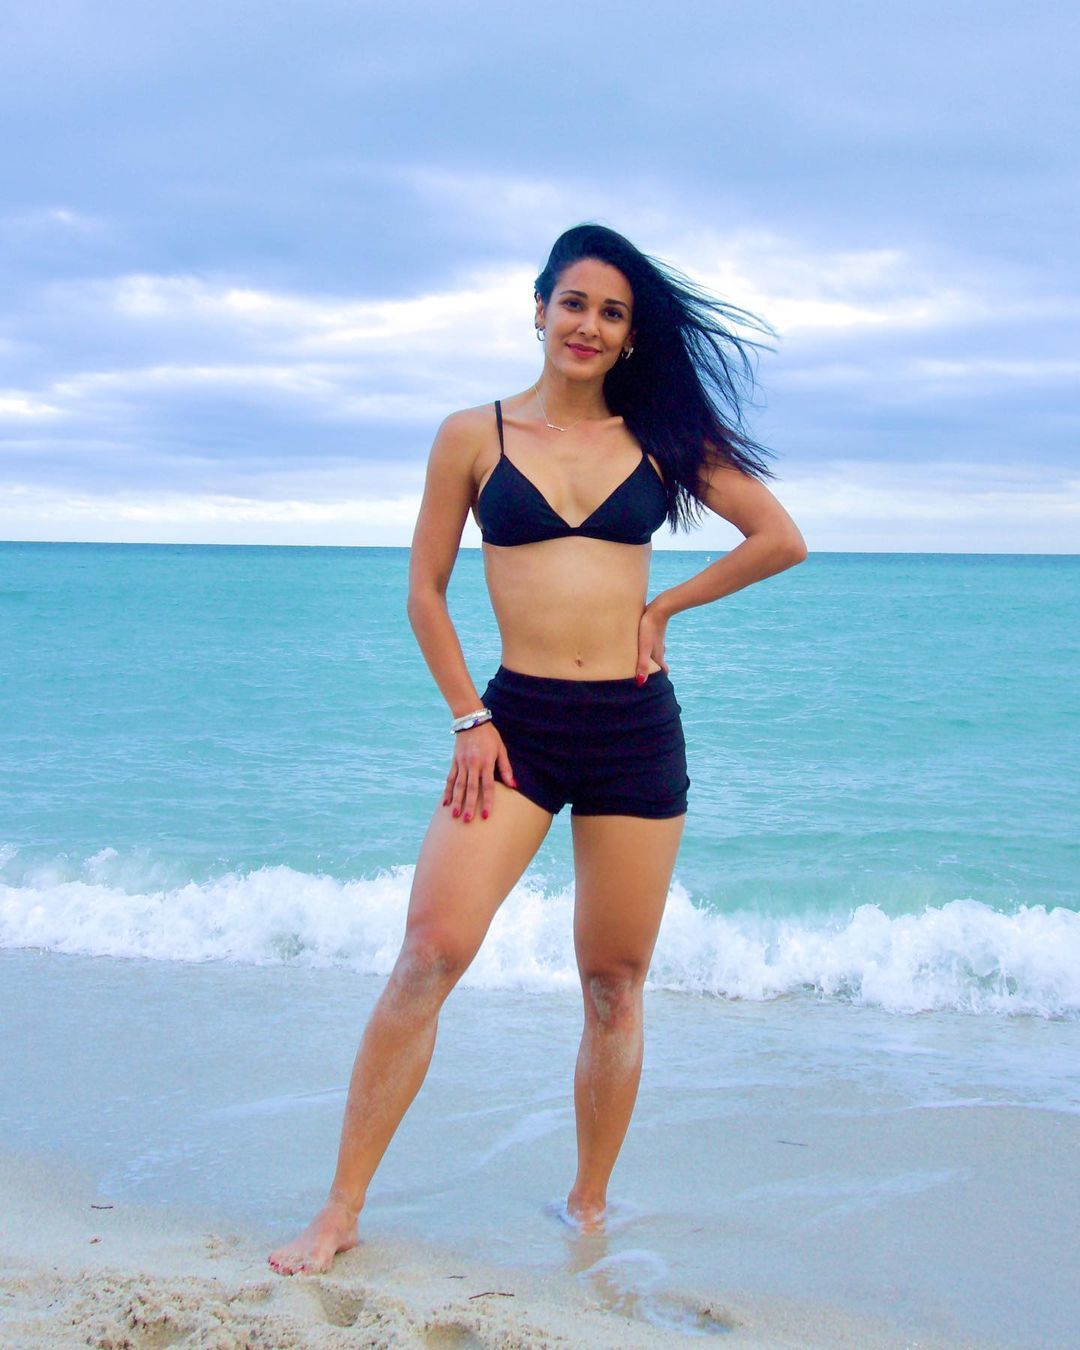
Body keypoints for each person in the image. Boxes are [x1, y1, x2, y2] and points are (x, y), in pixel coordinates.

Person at [269, 223, 806, 1275]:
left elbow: (779, 537)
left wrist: (664, 609)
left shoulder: (658, 438)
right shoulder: (472, 435)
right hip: (514, 728)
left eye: (612, 313)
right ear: (539, 309)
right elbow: (425, 593)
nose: (589, 326)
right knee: (429, 953)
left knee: (613, 981)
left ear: (630, 335)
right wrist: (469, 717)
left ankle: (589, 1207)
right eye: (575, 304)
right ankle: (339, 1210)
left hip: (633, 731)